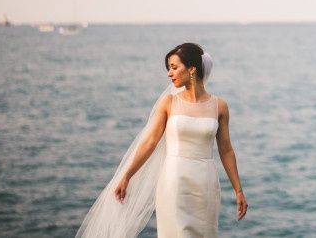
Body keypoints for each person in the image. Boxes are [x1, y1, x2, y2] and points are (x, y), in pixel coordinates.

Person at [77, 43, 247, 237]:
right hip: (174, 181)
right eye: (168, 68)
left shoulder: (220, 106)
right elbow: (150, 142)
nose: (169, 73)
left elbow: (226, 150)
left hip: (205, 183)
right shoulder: (169, 102)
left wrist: (238, 190)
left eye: (174, 67)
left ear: (192, 69)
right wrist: (127, 175)